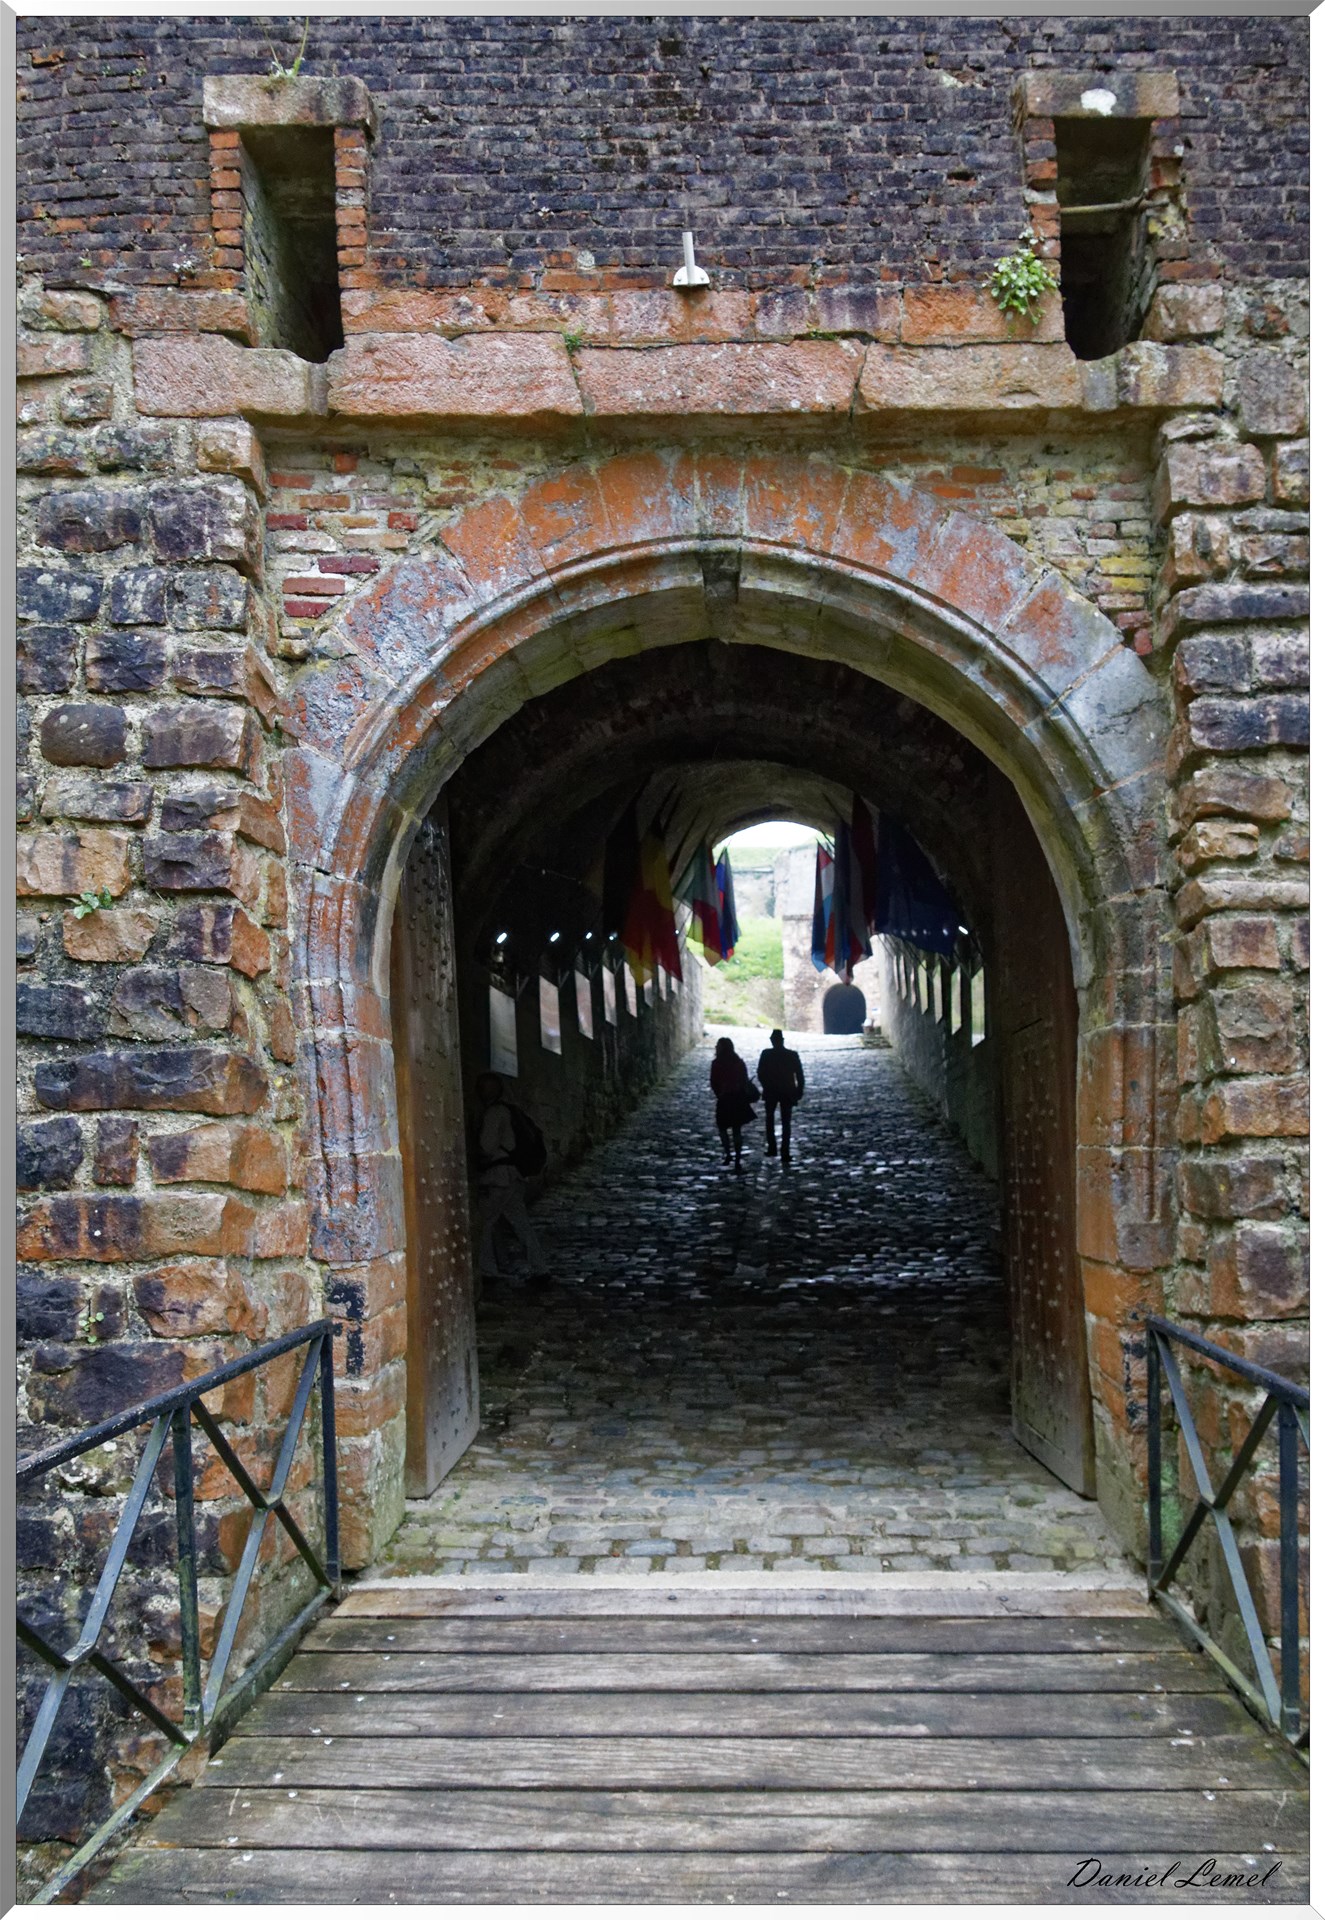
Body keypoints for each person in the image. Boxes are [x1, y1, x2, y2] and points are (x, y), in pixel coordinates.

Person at [474, 1072, 551, 1287]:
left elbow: (486, 1147)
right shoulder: (508, 1111)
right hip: (514, 1176)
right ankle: (540, 1269)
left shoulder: (493, 1114)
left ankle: (488, 1271)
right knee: (521, 1224)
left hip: (498, 1178)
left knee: (484, 1224)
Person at [757, 1028, 805, 1164]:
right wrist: (799, 1090)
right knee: (786, 1122)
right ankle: (785, 1151)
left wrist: (766, 1085)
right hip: (787, 1091)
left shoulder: (766, 1054)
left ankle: (772, 1147)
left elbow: (760, 1073)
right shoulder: (792, 1055)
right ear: (782, 1040)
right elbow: (799, 1075)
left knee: (770, 1120)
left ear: (772, 1041)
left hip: (771, 1091)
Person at [709, 1036, 756, 1168]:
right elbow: (744, 1079)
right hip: (738, 1099)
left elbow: (713, 1082)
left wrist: (720, 1093)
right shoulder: (739, 1063)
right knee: (737, 1130)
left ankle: (728, 1154)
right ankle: (737, 1158)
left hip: (724, 1100)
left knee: (723, 1128)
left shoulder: (716, 1064)